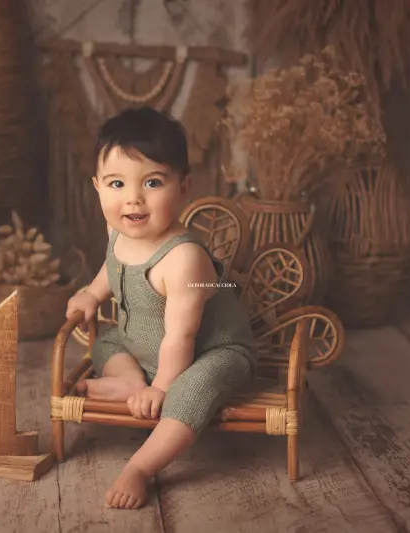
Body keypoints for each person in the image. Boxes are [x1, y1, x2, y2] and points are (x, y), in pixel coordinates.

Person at [65, 106, 257, 510]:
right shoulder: (118, 228)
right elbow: (111, 264)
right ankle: (131, 383)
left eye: (152, 182)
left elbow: (181, 335)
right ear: (97, 186)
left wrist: (164, 388)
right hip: (146, 347)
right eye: (117, 183)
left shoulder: (183, 257)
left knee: (190, 392)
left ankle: (140, 467)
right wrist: (91, 293)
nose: (133, 198)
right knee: (104, 344)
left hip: (209, 351)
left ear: (184, 188)